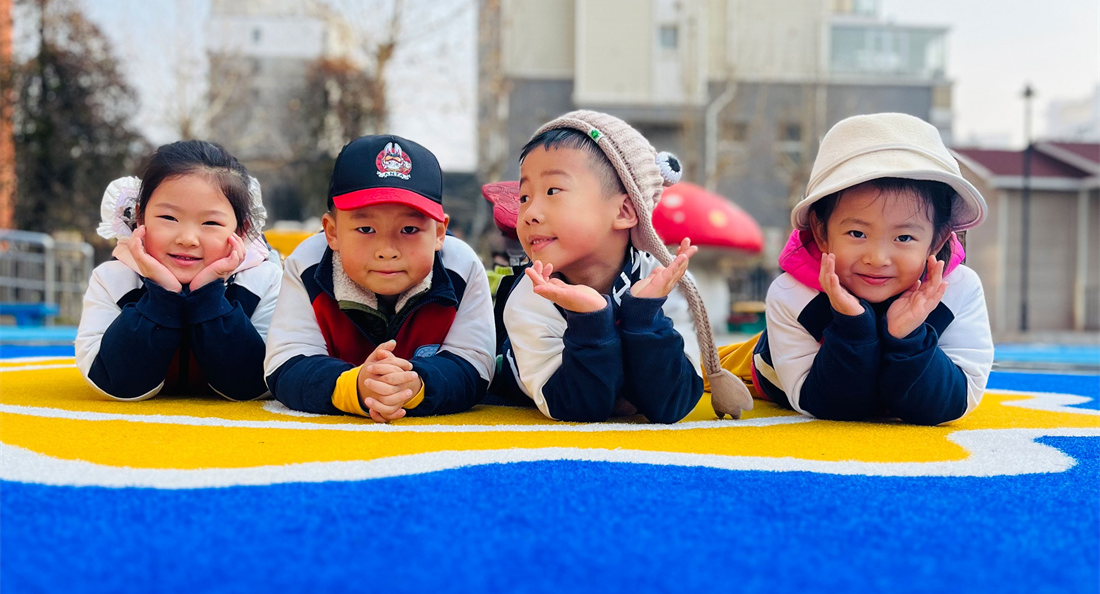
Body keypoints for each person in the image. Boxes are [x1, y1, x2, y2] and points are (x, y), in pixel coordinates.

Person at [714, 112, 994, 425]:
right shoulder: (794, 295)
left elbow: (954, 401)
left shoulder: (957, 291)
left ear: (937, 240)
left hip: (884, 373)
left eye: (904, 237)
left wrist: (909, 337)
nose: (877, 258)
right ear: (821, 233)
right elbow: (828, 406)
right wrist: (852, 328)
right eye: (857, 233)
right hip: (766, 364)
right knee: (710, 366)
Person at [498, 110, 754, 423]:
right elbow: (575, 407)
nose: (529, 213)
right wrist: (589, 320)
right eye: (524, 197)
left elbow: (673, 404)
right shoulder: (532, 295)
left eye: (553, 191)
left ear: (624, 210)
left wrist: (644, 317)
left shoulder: (657, 282)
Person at [263, 135, 495, 421]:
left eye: (409, 229)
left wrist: (417, 385)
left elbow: (475, 366)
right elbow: (285, 365)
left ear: (439, 233)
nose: (387, 250)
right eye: (365, 229)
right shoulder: (307, 264)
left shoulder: (463, 266)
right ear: (332, 232)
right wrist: (356, 386)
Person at [76, 141, 282, 401]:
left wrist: (208, 293)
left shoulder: (264, 281)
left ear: (241, 231)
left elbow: (256, 382)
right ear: (140, 218)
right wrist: (162, 292)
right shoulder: (112, 279)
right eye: (168, 218)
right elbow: (111, 381)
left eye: (211, 222)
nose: (187, 239)